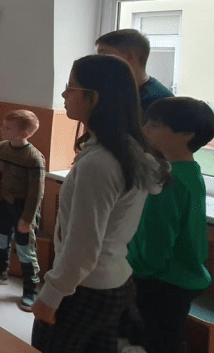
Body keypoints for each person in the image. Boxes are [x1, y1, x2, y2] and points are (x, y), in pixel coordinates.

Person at [31, 54, 169, 353]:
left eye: (71, 87)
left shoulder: (101, 163)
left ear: (94, 98)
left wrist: (52, 294)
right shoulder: (126, 149)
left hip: (86, 288)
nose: (64, 94)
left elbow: (83, 245)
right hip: (112, 281)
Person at [128, 97, 214, 353]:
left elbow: (156, 244)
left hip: (161, 281)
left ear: (187, 134)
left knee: (157, 343)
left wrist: (132, 270)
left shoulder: (169, 180)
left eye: (155, 125)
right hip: (179, 278)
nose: (145, 129)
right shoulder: (189, 171)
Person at [0, 110, 46, 313]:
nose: (2, 129)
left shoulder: (33, 158)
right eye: (3, 125)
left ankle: (30, 289)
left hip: (24, 209)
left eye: (8, 127)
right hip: (3, 205)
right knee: (0, 239)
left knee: (25, 250)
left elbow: (36, 193)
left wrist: (27, 219)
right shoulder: (0, 149)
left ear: (24, 134)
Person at [96, 29, 173, 113]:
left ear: (129, 56)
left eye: (104, 53)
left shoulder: (159, 102)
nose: (97, 60)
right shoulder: (114, 92)